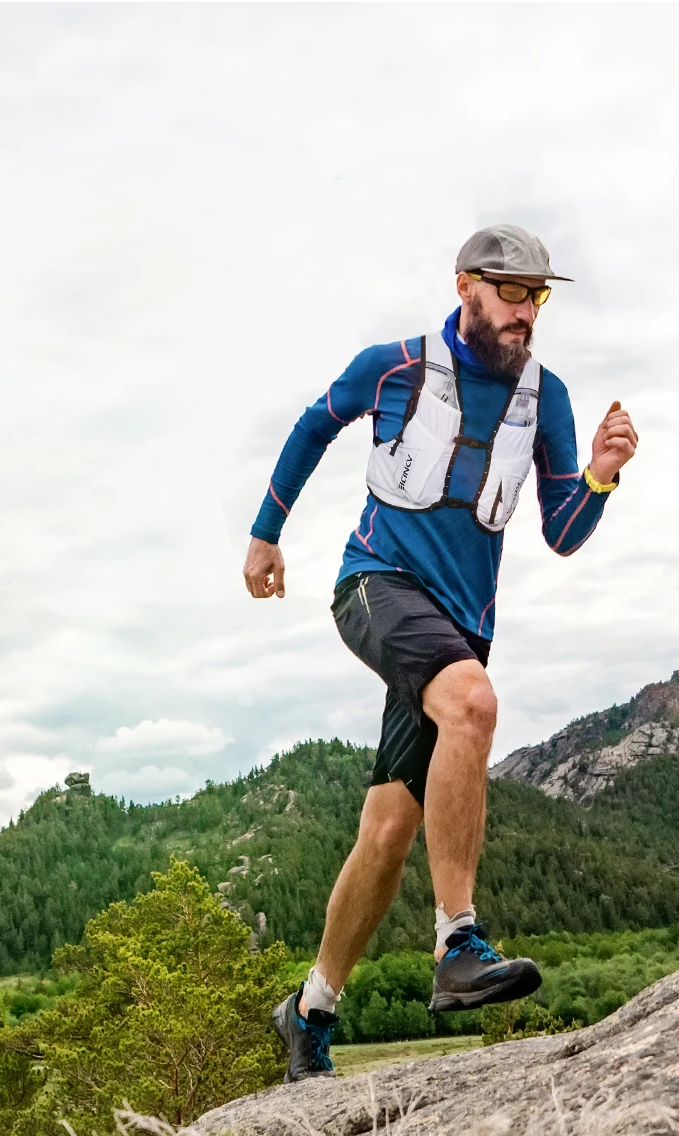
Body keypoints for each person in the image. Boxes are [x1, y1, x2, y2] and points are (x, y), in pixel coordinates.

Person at [243, 224, 638, 1083]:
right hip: (374, 586)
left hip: (462, 625)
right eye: (510, 293)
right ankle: (458, 941)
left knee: (386, 832)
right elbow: (315, 425)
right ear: (465, 286)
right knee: (474, 704)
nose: (526, 312)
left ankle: (308, 1010)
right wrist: (265, 537)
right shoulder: (393, 366)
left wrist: (602, 476)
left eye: (539, 297)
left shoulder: (548, 397)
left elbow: (563, 530)